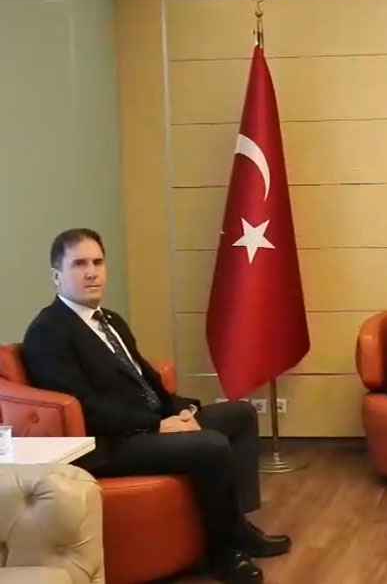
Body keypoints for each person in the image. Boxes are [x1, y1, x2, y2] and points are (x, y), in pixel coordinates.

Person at [21, 228, 289, 584]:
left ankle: (238, 526)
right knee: (209, 446)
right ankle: (222, 553)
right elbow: (85, 407)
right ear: (57, 275)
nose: (92, 273)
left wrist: (181, 411)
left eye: (98, 262)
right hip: (109, 443)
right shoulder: (48, 331)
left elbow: (146, 380)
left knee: (239, 414)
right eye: (79, 264)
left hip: (147, 425)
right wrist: (156, 426)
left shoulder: (110, 320)